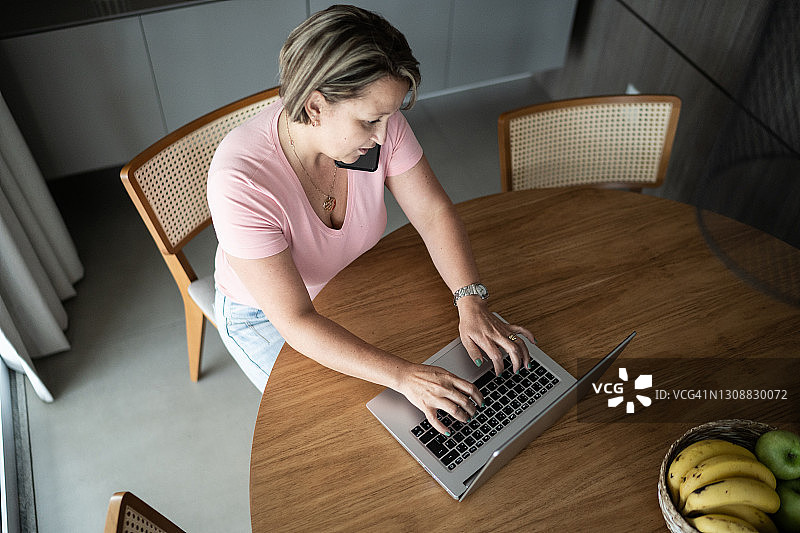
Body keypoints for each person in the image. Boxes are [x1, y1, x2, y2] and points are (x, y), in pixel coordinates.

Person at [208, 4, 535, 435]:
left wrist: (470, 299)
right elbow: (296, 320)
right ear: (316, 106)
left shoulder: (379, 127)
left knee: (430, 403)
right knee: (346, 429)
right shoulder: (241, 181)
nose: (385, 135)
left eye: (389, 116)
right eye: (370, 121)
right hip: (267, 317)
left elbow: (433, 212)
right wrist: (403, 376)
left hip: (351, 278)